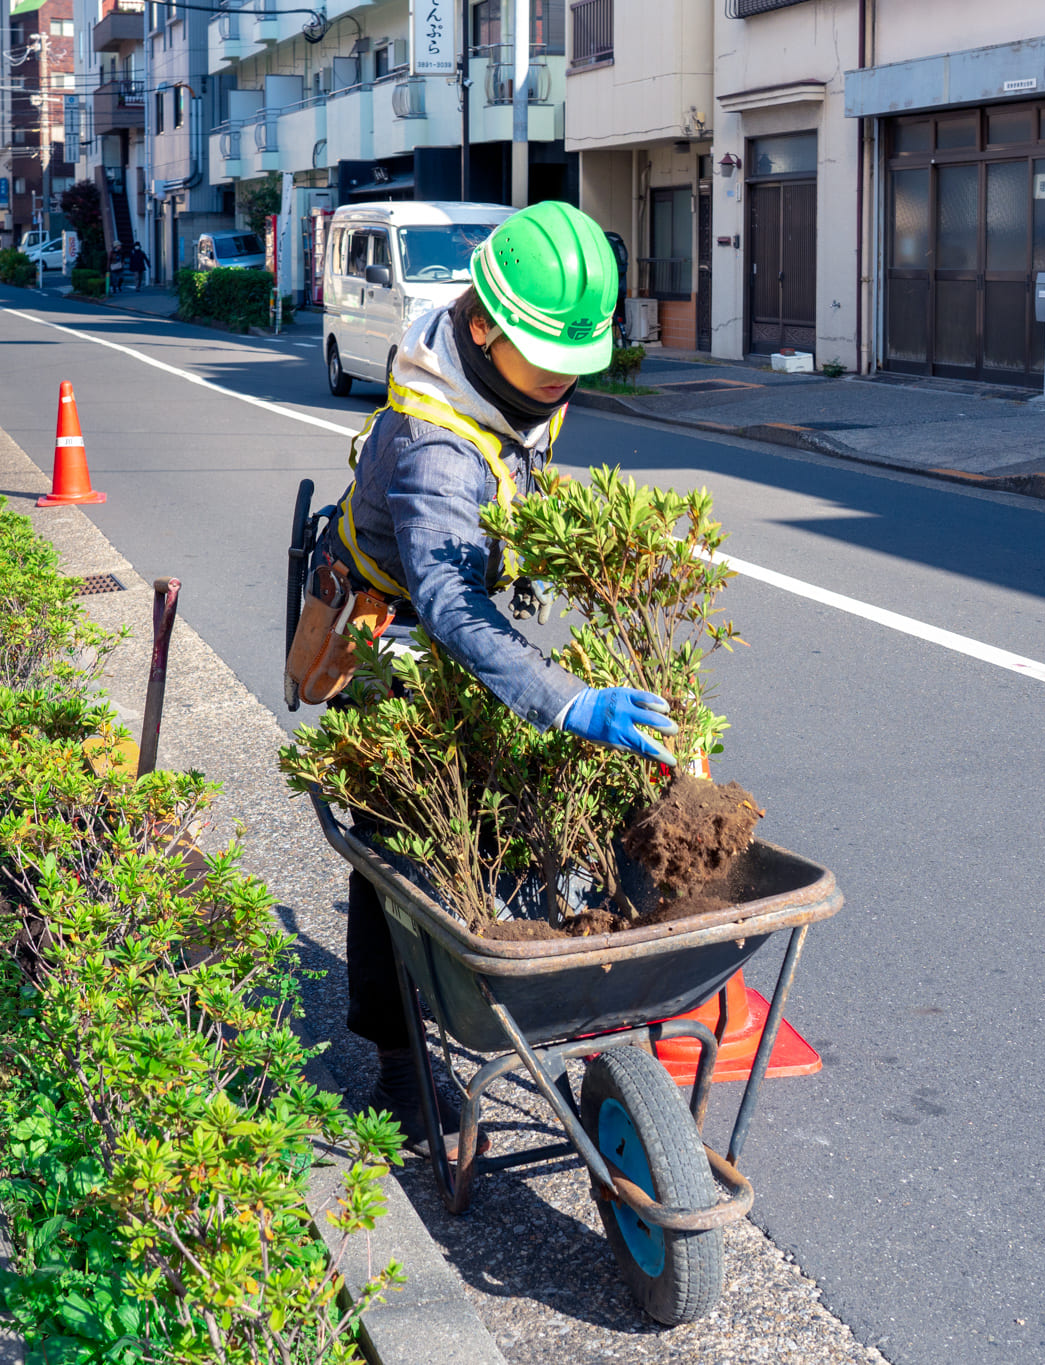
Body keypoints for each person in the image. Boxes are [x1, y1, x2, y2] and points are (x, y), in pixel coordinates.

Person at [303, 201, 675, 1153]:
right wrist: (566, 698)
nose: (562, 384)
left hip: (461, 611)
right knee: (396, 852)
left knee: (508, 808)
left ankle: (506, 979)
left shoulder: (515, 385)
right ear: (481, 328)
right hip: (385, 629)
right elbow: (449, 600)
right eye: (548, 362)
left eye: (575, 366)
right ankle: (393, 1051)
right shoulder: (435, 446)